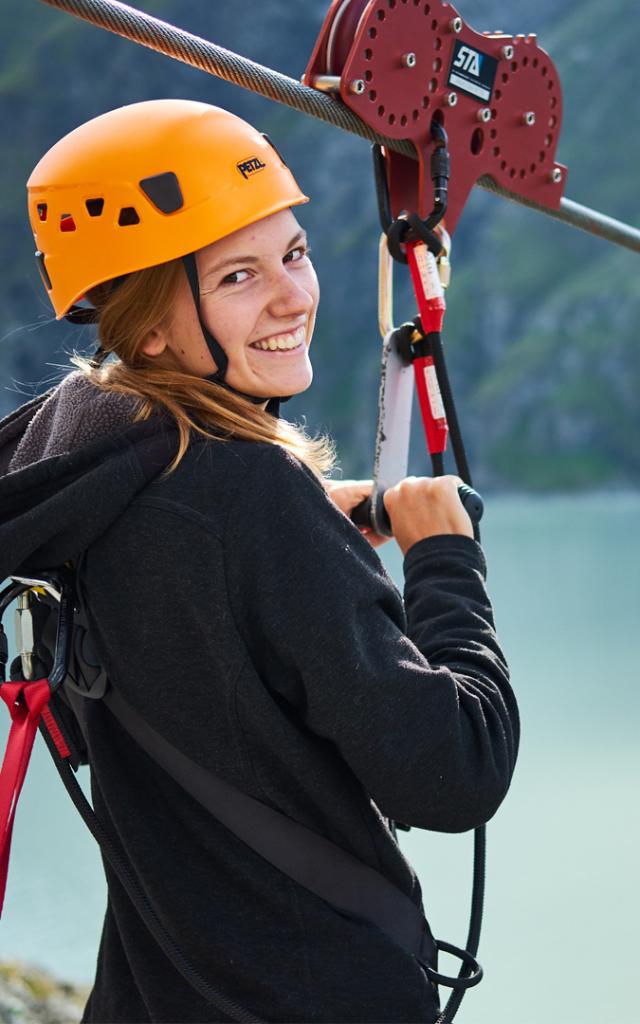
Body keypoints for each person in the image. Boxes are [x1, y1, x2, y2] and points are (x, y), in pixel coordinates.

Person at [0, 99, 519, 1023]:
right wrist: (445, 560)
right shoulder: (249, 497)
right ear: (149, 322)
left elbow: (184, 569)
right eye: (238, 275)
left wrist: (315, 524)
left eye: (295, 252)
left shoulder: (69, 464)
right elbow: (454, 769)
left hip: (158, 994)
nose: (294, 297)